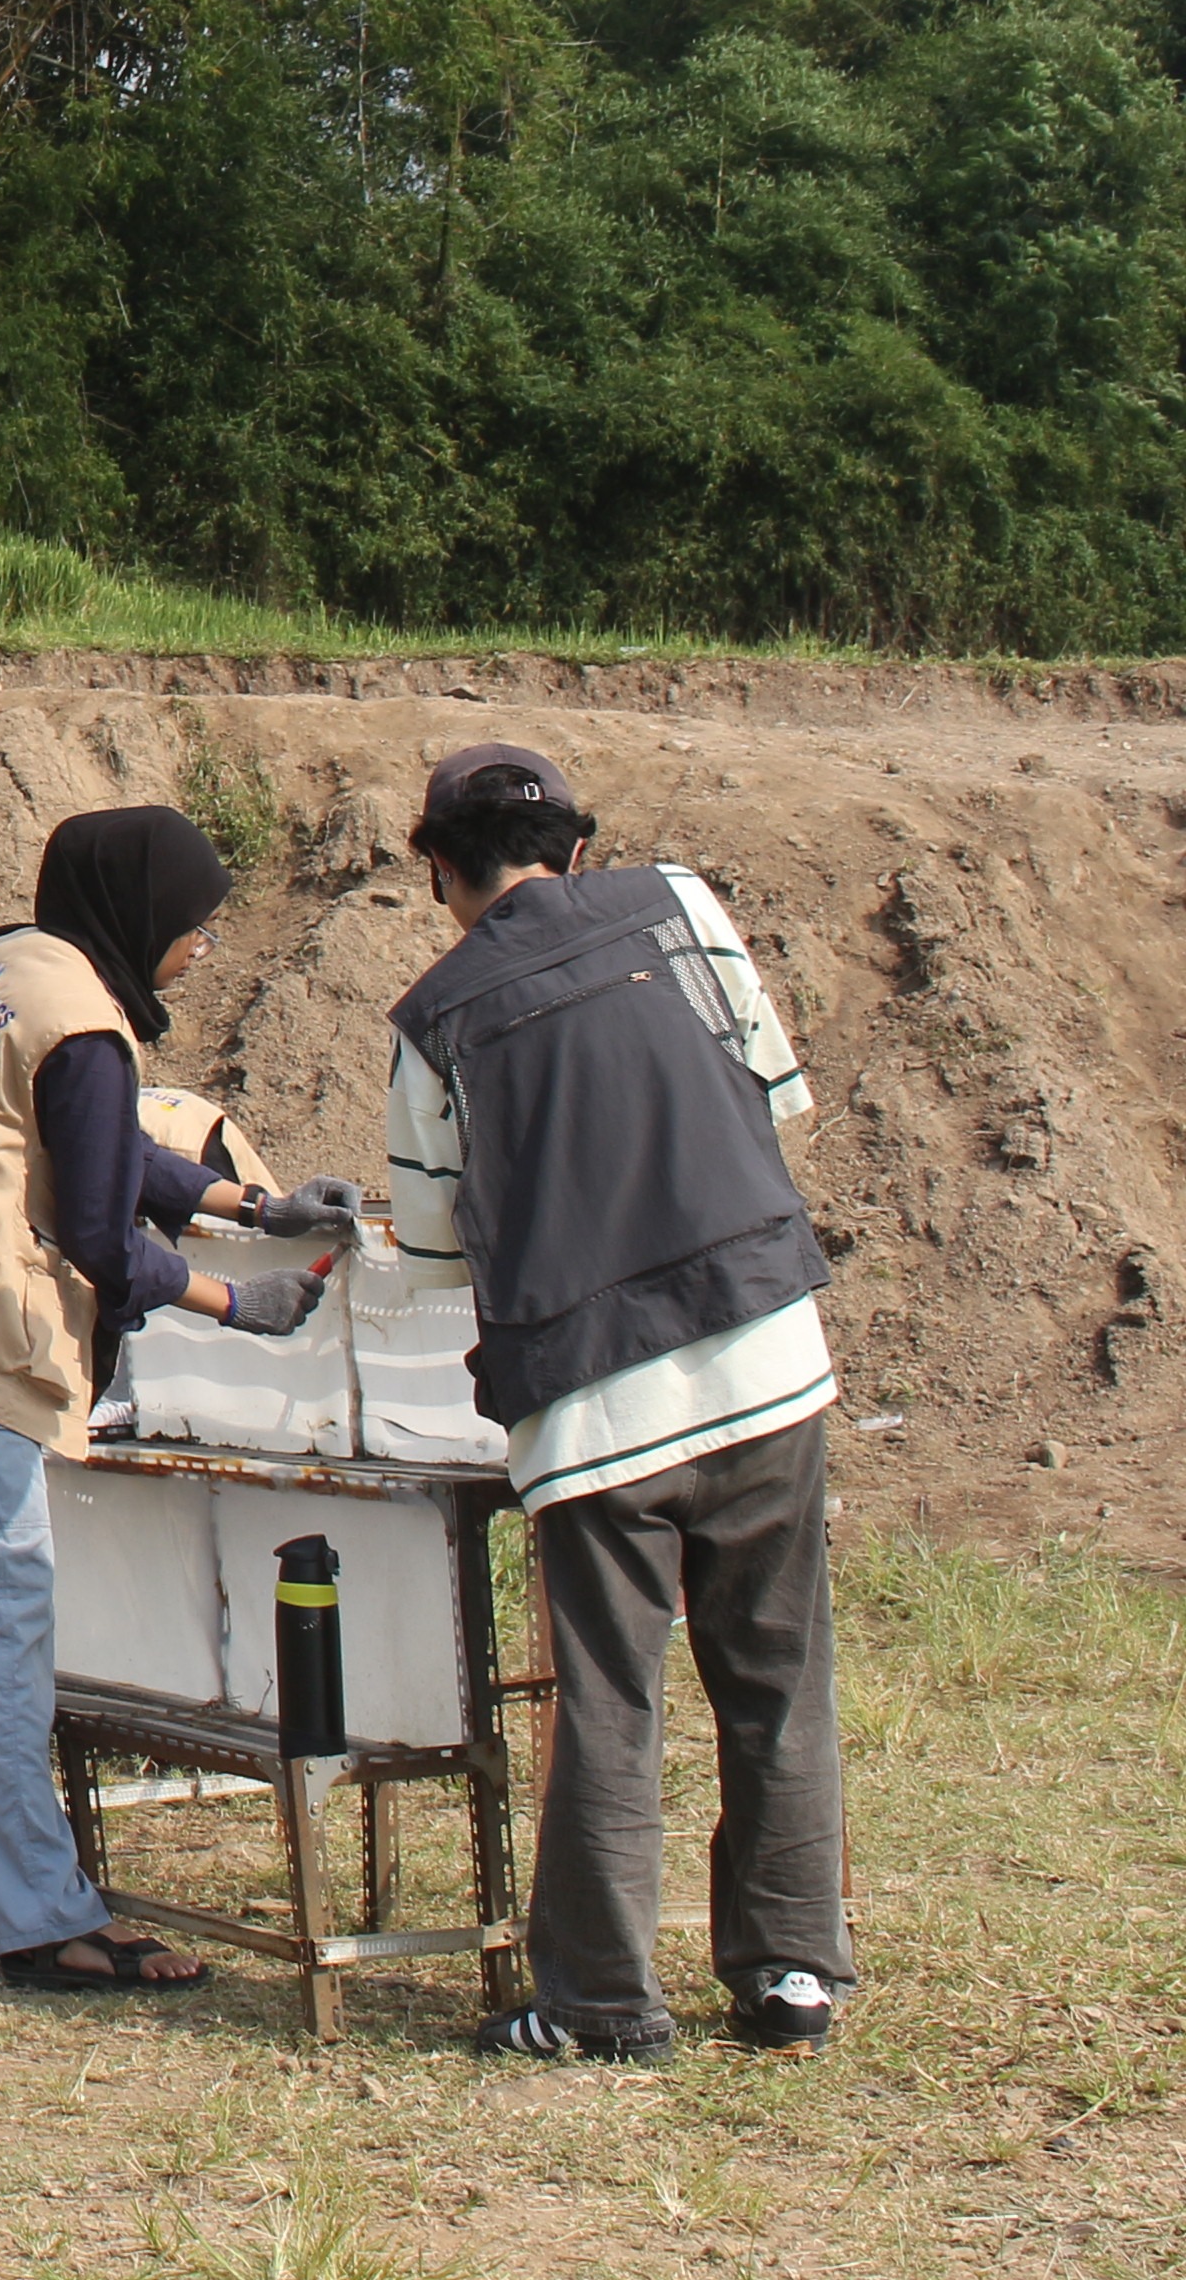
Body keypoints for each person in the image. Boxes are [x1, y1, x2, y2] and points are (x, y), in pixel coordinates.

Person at [0, 807, 364, 1987]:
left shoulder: (2, 963)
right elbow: (103, 1228)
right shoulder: (89, 1029)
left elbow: (88, 1148)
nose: (202, 945)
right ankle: (45, 1919)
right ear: (138, 913)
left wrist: (251, 1206)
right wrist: (230, 1300)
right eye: (193, 925)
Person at [383, 743, 848, 2063]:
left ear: (439, 872)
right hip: (764, 1355)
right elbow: (771, 1093)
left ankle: (599, 2003)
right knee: (778, 1677)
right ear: (579, 848)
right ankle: (789, 1977)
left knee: (608, 1703)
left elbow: (431, 1255)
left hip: (594, 1411)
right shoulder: (683, 907)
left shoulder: (431, 1023)